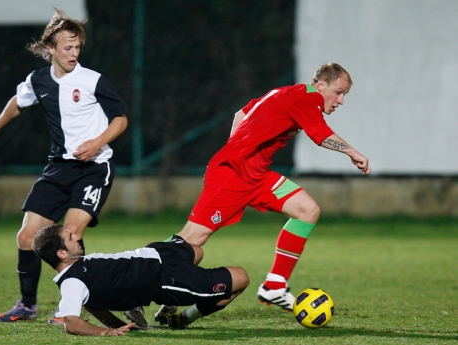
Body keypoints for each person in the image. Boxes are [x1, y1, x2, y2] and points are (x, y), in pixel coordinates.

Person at [155, 62, 371, 322]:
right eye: (338, 92)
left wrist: (238, 148)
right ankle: (137, 281)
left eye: (344, 94)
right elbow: (320, 134)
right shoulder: (307, 97)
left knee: (307, 210)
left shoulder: (283, 94)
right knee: (191, 240)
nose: (341, 100)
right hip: (233, 176)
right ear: (321, 84)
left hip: (256, 175)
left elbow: (240, 114)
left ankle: (275, 286)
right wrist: (352, 152)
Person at [0, 9, 129, 324]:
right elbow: (18, 102)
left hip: (95, 168)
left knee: (70, 236)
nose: (74, 53)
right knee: (27, 237)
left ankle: (71, 305)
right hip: (58, 168)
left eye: (77, 47)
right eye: (67, 47)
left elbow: (122, 119)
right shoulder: (38, 80)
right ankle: (27, 306)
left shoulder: (91, 80)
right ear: (51, 50)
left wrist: (98, 142)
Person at [31, 223, 249, 336]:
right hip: (165, 277)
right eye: (70, 238)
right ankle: (184, 318)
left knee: (197, 252)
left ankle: (168, 308)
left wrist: (127, 325)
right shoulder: (72, 282)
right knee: (241, 278)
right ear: (61, 254)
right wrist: (107, 331)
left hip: (154, 252)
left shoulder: (78, 266)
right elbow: (71, 323)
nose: (77, 237)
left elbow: (93, 305)